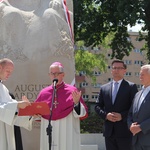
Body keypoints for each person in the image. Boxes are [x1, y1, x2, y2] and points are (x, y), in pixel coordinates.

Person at [34, 61, 88, 150]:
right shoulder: (43, 93)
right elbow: (38, 114)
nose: (54, 76)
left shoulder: (72, 91)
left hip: (67, 130)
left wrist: (76, 103)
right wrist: (34, 114)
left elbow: (83, 113)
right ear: (49, 75)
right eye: (52, 73)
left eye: (57, 73)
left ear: (63, 74)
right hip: (48, 130)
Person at [95, 59, 138, 150]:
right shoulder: (104, 88)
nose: (116, 70)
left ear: (124, 71)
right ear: (111, 70)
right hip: (109, 132)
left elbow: (135, 108)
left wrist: (122, 116)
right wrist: (106, 115)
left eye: (119, 68)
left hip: (125, 132)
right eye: (114, 68)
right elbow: (97, 106)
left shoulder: (131, 87)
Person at [0, 58, 32, 150]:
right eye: (7, 71)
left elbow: (12, 113)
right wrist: (17, 104)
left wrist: (28, 112)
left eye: (11, 72)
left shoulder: (3, 88)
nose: (9, 74)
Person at [127, 64, 150, 150]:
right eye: (140, 74)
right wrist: (131, 126)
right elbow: (130, 113)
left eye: (142, 74)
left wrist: (140, 127)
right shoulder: (137, 94)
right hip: (136, 141)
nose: (140, 76)